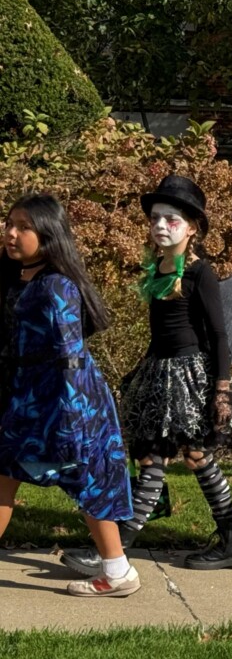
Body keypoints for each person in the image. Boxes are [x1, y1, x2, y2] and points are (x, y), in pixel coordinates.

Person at [62, 176, 232, 577]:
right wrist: (138, 373)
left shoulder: (201, 271)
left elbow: (218, 333)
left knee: (192, 456)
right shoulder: (159, 267)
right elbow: (159, 333)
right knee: (155, 456)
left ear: (193, 226)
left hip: (189, 377)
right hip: (159, 374)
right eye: (155, 219)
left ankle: (124, 549)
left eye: (172, 220)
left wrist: (223, 390)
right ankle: (223, 543)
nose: (161, 226)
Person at [0, 194, 139, 597]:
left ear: (48, 234)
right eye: (9, 223)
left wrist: (73, 419)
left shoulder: (56, 284)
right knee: (9, 475)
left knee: (88, 479)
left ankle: (118, 572)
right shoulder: (17, 275)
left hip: (65, 400)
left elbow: (70, 356)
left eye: (23, 227)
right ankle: (118, 571)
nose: (11, 233)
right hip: (28, 396)